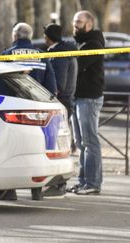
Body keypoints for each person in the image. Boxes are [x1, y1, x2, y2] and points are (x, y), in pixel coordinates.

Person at [1, 23, 57, 201]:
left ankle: (10, 191)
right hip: (39, 111)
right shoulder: (42, 56)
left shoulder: (7, 55)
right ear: (30, 37)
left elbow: (0, 85)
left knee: (12, 150)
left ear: (15, 36)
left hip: (14, 111)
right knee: (37, 150)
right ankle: (37, 191)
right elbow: (52, 88)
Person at [67, 10, 105, 195]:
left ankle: (93, 183)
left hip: (89, 98)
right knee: (80, 142)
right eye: (74, 21)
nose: (75, 25)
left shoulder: (94, 43)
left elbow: (78, 65)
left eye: (79, 22)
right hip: (78, 97)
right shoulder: (79, 42)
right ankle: (83, 181)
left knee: (90, 142)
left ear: (89, 24)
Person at [42, 23, 78, 197]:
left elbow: (60, 84)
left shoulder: (60, 55)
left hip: (61, 102)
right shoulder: (65, 51)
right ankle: (57, 184)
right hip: (65, 102)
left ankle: (59, 185)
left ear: (48, 37)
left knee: (58, 145)